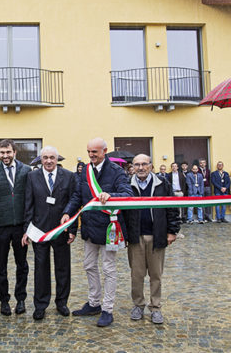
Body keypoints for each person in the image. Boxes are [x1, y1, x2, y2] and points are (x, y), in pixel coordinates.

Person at [63, 137, 132, 327]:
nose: (91, 155)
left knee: (109, 269)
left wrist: (112, 196)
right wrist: (68, 212)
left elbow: (128, 194)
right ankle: (94, 303)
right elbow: (78, 195)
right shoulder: (85, 171)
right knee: (88, 265)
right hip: (89, 229)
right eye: (89, 152)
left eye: (95, 152)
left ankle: (107, 309)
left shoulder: (116, 171)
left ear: (104, 151)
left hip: (110, 228)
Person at [21, 146, 77, 320]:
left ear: (57, 159)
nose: (49, 161)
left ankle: (61, 302)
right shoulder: (32, 177)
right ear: (41, 159)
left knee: (63, 268)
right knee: (41, 269)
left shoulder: (68, 176)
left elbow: (73, 203)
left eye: (52, 157)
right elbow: (28, 205)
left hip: (61, 230)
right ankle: (40, 305)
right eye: (45, 157)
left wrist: (72, 230)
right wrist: (26, 230)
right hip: (39, 231)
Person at [123, 154, 180, 324]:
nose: (140, 168)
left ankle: (155, 307)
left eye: (144, 164)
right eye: (137, 165)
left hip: (157, 236)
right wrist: (124, 235)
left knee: (156, 275)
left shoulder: (163, 184)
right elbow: (122, 212)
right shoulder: (127, 186)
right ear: (132, 167)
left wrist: (172, 231)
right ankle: (138, 305)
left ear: (151, 166)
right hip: (135, 237)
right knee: (136, 275)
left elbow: (172, 208)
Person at [0, 139, 31, 316]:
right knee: (1, 266)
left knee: (22, 265)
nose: (5, 156)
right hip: (0, 226)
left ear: (15, 152)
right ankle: (4, 300)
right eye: (2, 153)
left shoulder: (26, 171)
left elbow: (30, 200)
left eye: (8, 152)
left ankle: (21, 299)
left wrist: (29, 227)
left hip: (20, 226)